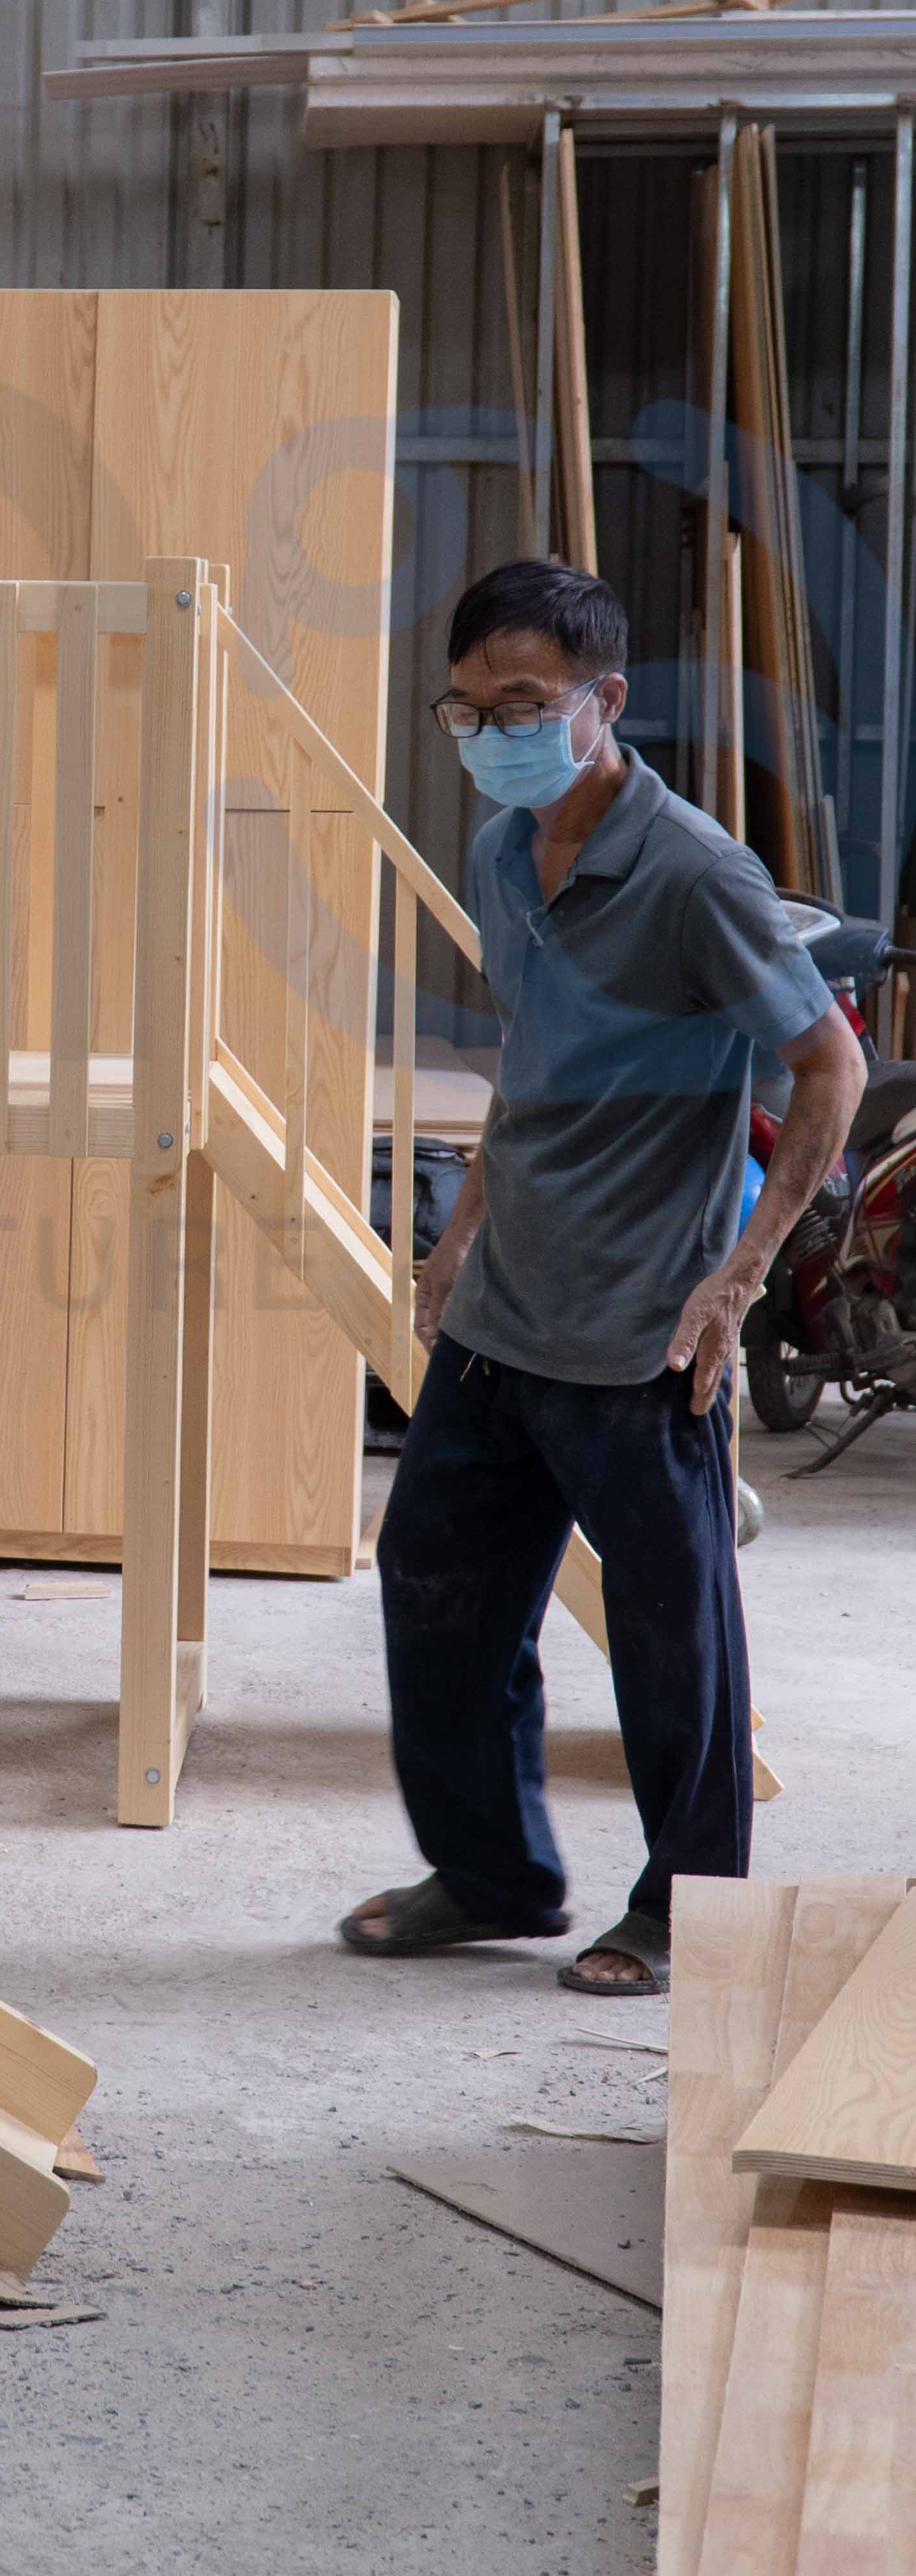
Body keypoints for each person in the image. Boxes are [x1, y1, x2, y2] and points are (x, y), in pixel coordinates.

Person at [340, 560, 862, 1998]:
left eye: (521, 705)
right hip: (503, 1309)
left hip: (643, 1332)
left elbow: (828, 1063)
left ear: (602, 700)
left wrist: (740, 1276)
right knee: (434, 1590)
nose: (491, 734)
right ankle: (491, 1875)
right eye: (465, 710)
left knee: (670, 1633)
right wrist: (457, 1236)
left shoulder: (696, 875)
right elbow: (532, 1061)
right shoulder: (504, 852)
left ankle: (683, 1911)